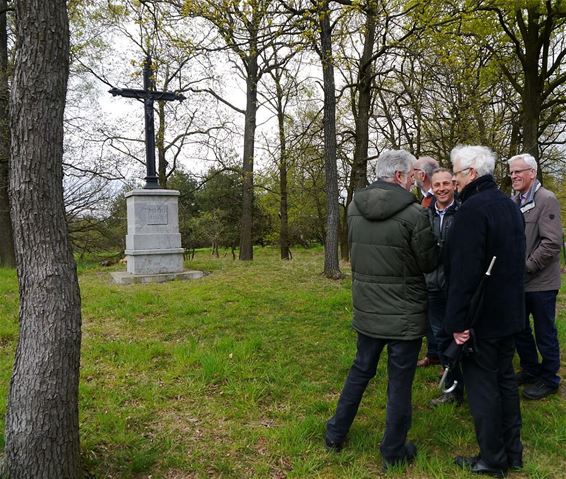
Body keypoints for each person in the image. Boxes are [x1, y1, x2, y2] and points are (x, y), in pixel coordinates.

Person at [325, 150, 438, 471]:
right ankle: (393, 450)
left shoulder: (353, 209)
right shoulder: (415, 214)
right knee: (400, 382)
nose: (415, 181)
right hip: (405, 312)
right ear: (400, 176)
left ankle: (335, 432)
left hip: (367, 308)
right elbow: (429, 262)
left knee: (361, 370)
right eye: (412, 175)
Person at [445, 145, 525, 477]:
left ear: (473, 174)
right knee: (505, 381)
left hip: (482, 318)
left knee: (483, 387)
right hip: (509, 313)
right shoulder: (509, 205)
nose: (454, 179)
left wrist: (458, 322)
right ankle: (513, 452)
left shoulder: (472, 211)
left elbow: (463, 273)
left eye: (457, 173)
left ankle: (493, 458)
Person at [508, 153, 562, 400]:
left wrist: (527, 266)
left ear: (532, 172)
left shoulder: (546, 199)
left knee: (544, 332)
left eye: (518, 171)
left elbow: (552, 243)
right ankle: (530, 370)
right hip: (518, 283)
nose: (514, 176)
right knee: (519, 329)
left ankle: (550, 378)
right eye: (511, 172)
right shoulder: (514, 200)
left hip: (540, 282)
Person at [424, 168, 464, 406]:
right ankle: (452, 389)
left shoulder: (463, 212)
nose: (441, 189)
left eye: (446, 184)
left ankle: (471, 383)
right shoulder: (425, 214)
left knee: (462, 337)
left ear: (454, 185)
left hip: (457, 286)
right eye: (437, 185)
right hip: (433, 285)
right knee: (440, 335)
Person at [414, 156, 441, 368]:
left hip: (439, 269)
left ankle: (445, 360)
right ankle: (433, 354)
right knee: (429, 314)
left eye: (414, 171)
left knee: (439, 316)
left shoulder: (439, 199)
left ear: (422, 175)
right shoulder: (423, 198)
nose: (412, 175)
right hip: (426, 269)